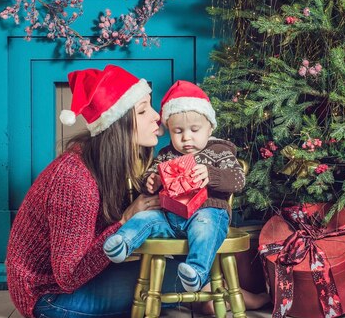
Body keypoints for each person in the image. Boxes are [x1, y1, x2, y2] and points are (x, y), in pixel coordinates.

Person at [6, 66, 267, 318]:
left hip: (78, 280)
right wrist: (124, 222)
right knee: (168, 276)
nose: (157, 117)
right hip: (50, 295)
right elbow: (68, 276)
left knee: (171, 271)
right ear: (119, 125)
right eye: (143, 110)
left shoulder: (109, 164)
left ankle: (210, 297)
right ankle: (217, 298)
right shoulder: (74, 178)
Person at [103, 80, 245, 292]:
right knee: (145, 218)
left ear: (210, 128)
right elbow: (149, 178)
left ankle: (196, 272)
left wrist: (211, 174)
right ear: (169, 130)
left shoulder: (219, 151)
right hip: (169, 216)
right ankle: (123, 243)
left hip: (206, 212)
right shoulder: (167, 154)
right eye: (178, 131)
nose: (186, 138)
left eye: (194, 130)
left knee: (206, 225)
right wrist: (152, 181)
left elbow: (238, 179)